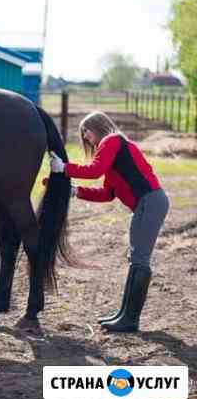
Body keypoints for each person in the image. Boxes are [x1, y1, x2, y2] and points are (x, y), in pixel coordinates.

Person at [49, 111, 169, 333]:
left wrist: (63, 169)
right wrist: (74, 191)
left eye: (86, 132)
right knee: (136, 258)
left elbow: (95, 171)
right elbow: (107, 193)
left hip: (150, 202)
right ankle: (123, 315)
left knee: (140, 259)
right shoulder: (114, 150)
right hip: (148, 203)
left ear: (96, 128)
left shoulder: (112, 140)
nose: (85, 138)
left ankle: (130, 320)